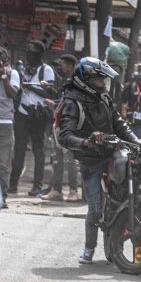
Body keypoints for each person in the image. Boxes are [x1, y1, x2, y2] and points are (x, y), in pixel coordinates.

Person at [56, 57, 141, 263]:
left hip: (112, 151)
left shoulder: (104, 98)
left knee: (120, 197)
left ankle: (116, 246)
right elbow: (64, 136)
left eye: (103, 80)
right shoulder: (72, 101)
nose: (103, 84)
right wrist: (86, 141)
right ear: (86, 79)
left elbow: (119, 123)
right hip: (90, 159)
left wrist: (136, 141)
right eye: (98, 79)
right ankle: (89, 248)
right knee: (95, 209)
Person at [10, 40, 57, 196]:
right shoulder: (25, 69)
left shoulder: (46, 70)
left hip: (38, 114)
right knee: (19, 149)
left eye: (31, 54)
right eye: (27, 53)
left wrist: (31, 86)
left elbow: (49, 93)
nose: (28, 56)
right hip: (22, 112)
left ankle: (37, 185)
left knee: (38, 149)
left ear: (38, 55)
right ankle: (13, 184)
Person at [42, 54, 80, 202]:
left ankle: (73, 190)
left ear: (70, 65)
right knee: (57, 158)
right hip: (60, 125)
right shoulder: (67, 81)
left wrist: (54, 104)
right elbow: (62, 98)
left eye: (63, 64)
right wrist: (51, 90)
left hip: (70, 126)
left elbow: (71, 103)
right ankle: (56, 190)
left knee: (70, 159)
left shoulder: (76, 83)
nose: (60, 67)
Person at [0, 47, 19, 208]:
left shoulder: (13, 74)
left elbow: (14, 94)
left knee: (3, 163)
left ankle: (2, 197)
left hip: (5, 123)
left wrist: (4, 77)